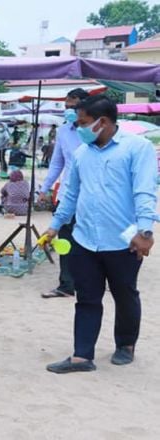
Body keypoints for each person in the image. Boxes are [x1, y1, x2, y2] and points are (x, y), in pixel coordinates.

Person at [43, 95, 157, 374]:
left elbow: (145, 191)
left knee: (124, 294)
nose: (78, 129)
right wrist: (55, 225)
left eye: (83, 123)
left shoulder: (137, 148)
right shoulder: (83, 153)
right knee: (87, 297)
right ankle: (82, 356)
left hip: (124, 238)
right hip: (84, 238)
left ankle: (125, 345)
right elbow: (71, 193)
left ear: (102, 122)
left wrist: (145, 230)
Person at [38, 88, 91, 299]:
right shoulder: (63, 132)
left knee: (89, 238)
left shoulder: (95, 131)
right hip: (68, 193)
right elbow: (57, 163)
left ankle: (92, 279)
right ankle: (66, 284)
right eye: (66, 106)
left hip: (92, 196)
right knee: (65, 238)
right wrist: (45, 188)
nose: (68, 110)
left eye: (73, 106)